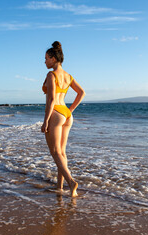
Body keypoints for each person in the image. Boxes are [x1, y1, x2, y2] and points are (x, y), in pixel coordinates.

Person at [41, 41, 85, 197]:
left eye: (46, 58)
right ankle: (59, 186)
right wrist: (70, 110)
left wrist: (45, 121)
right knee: (62, 152)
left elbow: (51, 99)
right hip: (66, 114)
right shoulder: (68, 76)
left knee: (55, 152)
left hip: (55, 113)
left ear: (53, 58)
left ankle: (71, 182)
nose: (44, 61)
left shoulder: (51, 75)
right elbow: (81, 93)